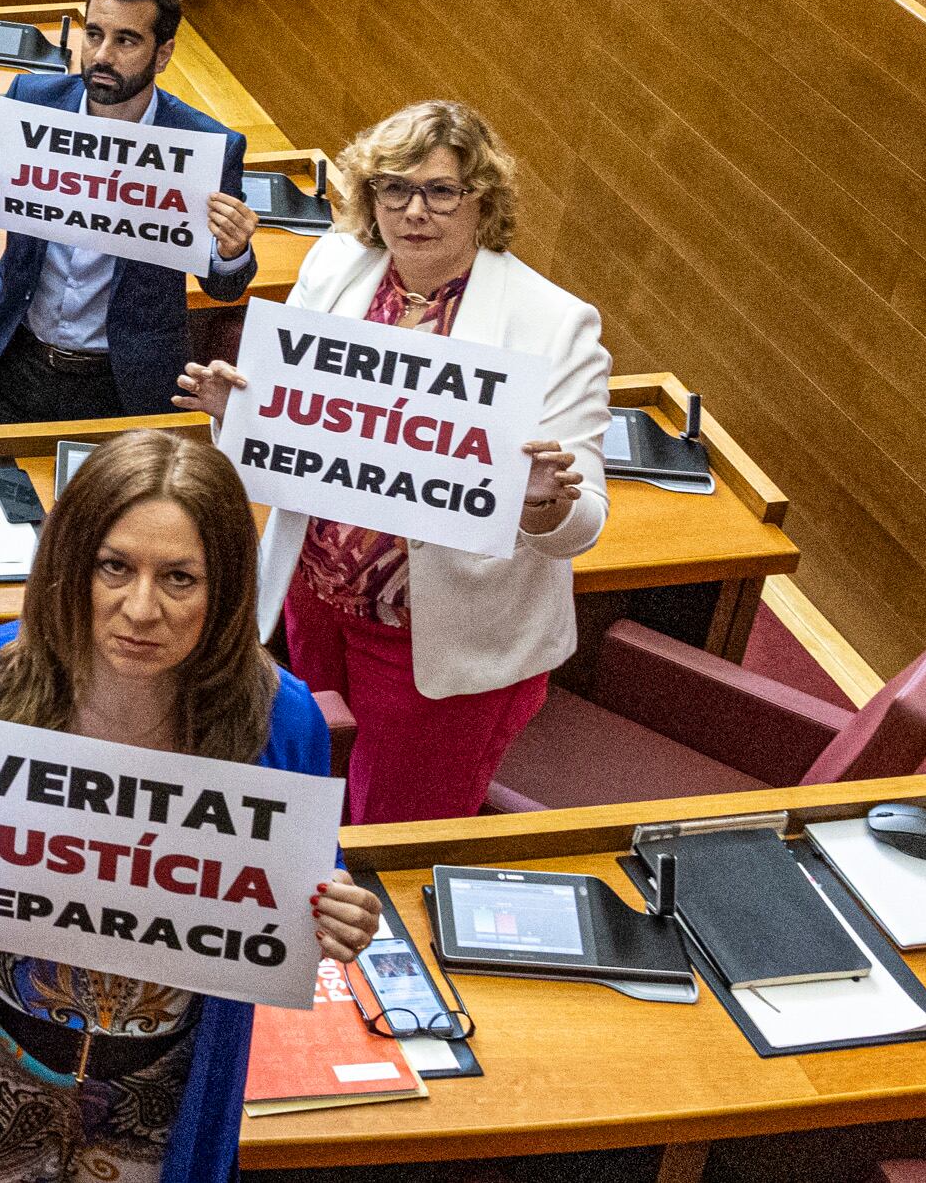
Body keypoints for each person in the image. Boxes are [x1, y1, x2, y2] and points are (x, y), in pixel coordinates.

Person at [0, 430, 383, 1183]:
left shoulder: (282, 719)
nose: (141, 608)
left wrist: (339, 910)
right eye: (115, 566)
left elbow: (305, 869)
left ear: (226, 587)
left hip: (163, 1092)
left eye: (179, 577)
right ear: (73, 565)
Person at [177, 99, 607, 823]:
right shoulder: (338, 264)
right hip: (314, 601)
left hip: (439, 636)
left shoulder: (552, 322)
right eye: (393, 188)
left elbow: (583, 522)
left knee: (395, 831)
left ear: (483, 201)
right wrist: (240, 417)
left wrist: (541, 500)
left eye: (442, 191)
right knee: (309, 794)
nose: (416, 210)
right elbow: (301, 435)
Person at [0, 0, 256, 422]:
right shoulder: (31, 101)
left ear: (162, 55)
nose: (102, 55)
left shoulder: (207, 146)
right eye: (94, 34)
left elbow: (223, 287)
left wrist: (233, 249)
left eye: (125, 40)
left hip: (126, 381)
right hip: (18, 361)